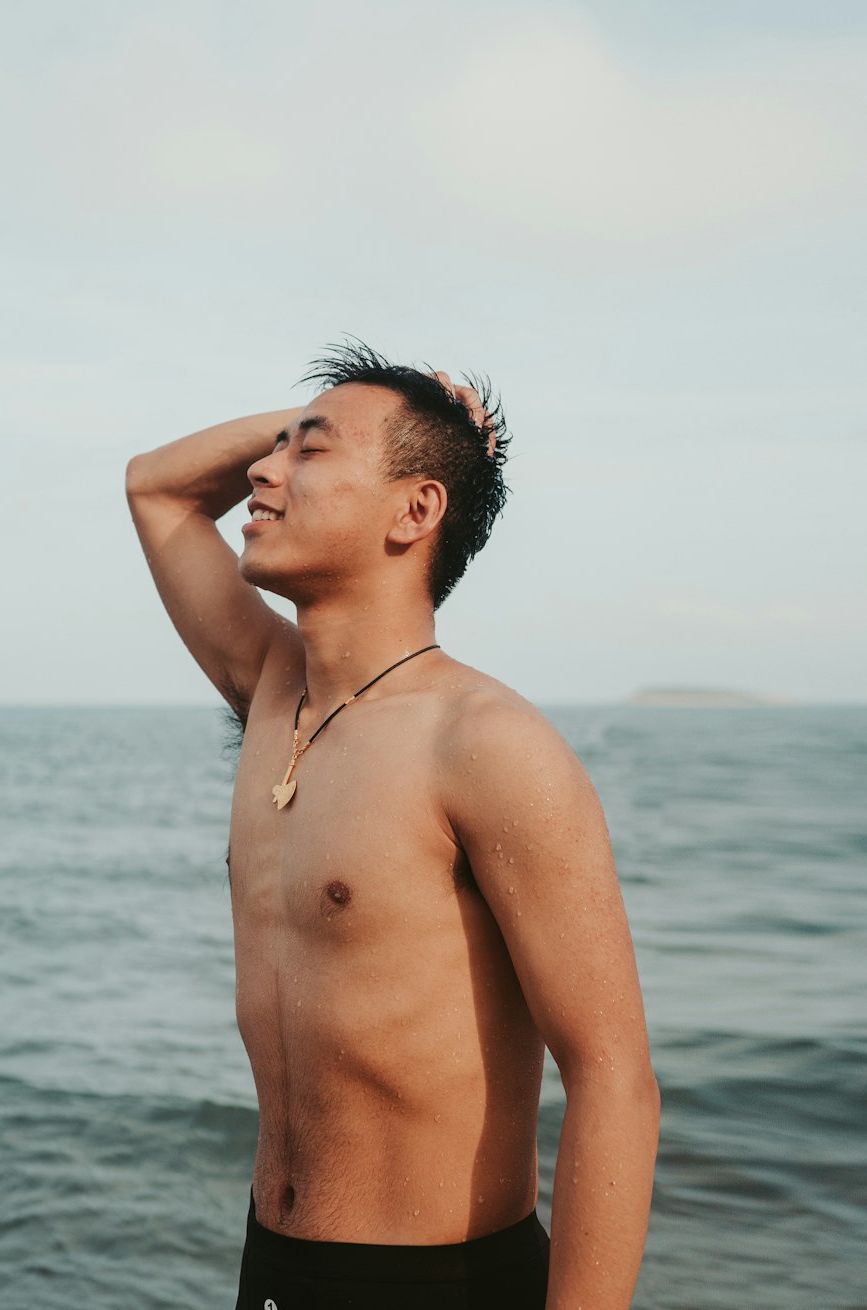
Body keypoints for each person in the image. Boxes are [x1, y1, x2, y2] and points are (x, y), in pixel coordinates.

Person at [125, 339, 660, 1309]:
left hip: (439, 1283)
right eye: (272, 448)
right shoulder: (271, 691)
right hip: (275, 1267)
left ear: (415, 509)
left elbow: (612, 1074)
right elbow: (153, 487)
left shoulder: (486, 744)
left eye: (309, 452)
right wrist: (340, 428)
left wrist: (439, 439)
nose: (262, 470)